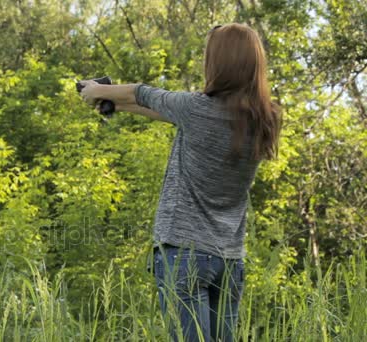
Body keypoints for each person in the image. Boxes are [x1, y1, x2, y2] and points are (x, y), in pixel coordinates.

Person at [79, 23, 282, 341]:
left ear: (219, 63)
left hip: (184, 254)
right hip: (229, 261)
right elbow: (157, 108)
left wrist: (96, 91)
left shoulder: (195, 108)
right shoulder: (266, 118)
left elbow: (142, 93)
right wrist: (115, 104)